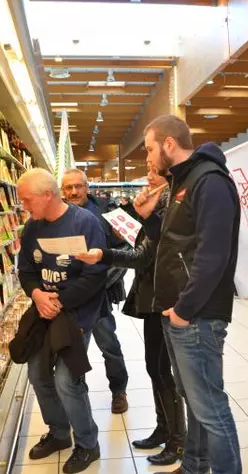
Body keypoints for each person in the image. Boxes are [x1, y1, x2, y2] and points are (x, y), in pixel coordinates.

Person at [133, 115, 242, 474]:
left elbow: (213, 255)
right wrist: (149, 218)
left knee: (210, 407)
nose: (147, 158)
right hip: (179, 313)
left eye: (150, 149)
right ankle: (194, 466)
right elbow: (176, 245)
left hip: (197, 316)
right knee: (194, 402)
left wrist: (184, 309)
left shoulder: (209, 182)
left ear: (168, 144)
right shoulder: (182, 183)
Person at [77, 170, 186, 466]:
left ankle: (178, 441)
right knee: (155, 367)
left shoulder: (168, 212)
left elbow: (142, 257)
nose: (147, 177)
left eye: (153, 172)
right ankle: (164, 429)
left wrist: (103, 255)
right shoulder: (158, 210)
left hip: (164, 301)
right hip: (153, 299)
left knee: (163, 371)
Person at [15, 168, 106, 473]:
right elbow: (25, 270)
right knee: (37, 373)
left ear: (47, 195)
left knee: (67, 380)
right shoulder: (32, 228)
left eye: (28, 200)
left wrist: (60, 301)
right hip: (44, 311)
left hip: (77, 313)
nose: (25, 206)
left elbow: (96, 276)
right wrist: (38, 295)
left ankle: (87, 444)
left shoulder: (85, 223)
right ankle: (58, 433)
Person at [61, 168, 130, 414]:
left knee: (108, 344)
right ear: (62, 190)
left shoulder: (107, 211)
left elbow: (124, 252)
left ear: (87, 187)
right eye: (68, 187)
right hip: (69, 298)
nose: (73, 192)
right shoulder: (57, 214)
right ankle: (78, 395)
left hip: (99, 294)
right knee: (74, 349)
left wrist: (104, 283)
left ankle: (119, 391)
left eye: (78, 186)